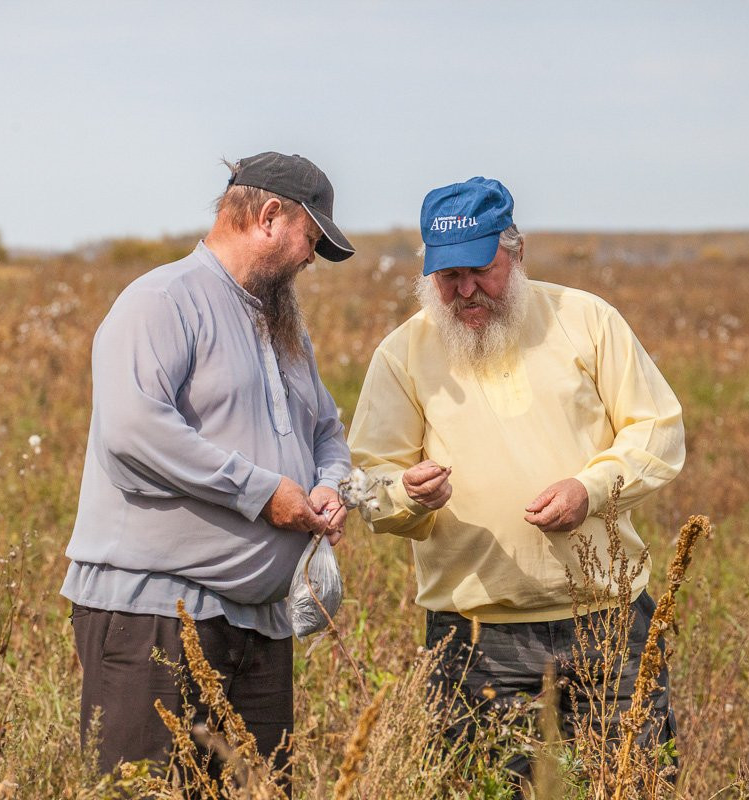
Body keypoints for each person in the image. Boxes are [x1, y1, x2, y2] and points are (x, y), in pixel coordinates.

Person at [346, 177, 686, 778]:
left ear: (516, 251)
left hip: (610, 623)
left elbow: (656, 430)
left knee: (635, 783)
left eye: (479, 269)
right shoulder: (402, 353)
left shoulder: (586, 321)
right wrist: (408, 495)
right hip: (475, 639)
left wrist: (592, 489)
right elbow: (370, 482)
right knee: (484, 789)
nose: (465, 290)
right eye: (447, 277)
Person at [62, 152, 355, 781]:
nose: (311, 259)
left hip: (259, 625)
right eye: (311, 239)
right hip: (156, 621)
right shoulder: (161, 301)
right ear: (270, 216)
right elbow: (133, 432)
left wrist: (329, 484)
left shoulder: (284, 328)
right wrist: (261, 493)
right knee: (145, 794)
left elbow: (326, 428)